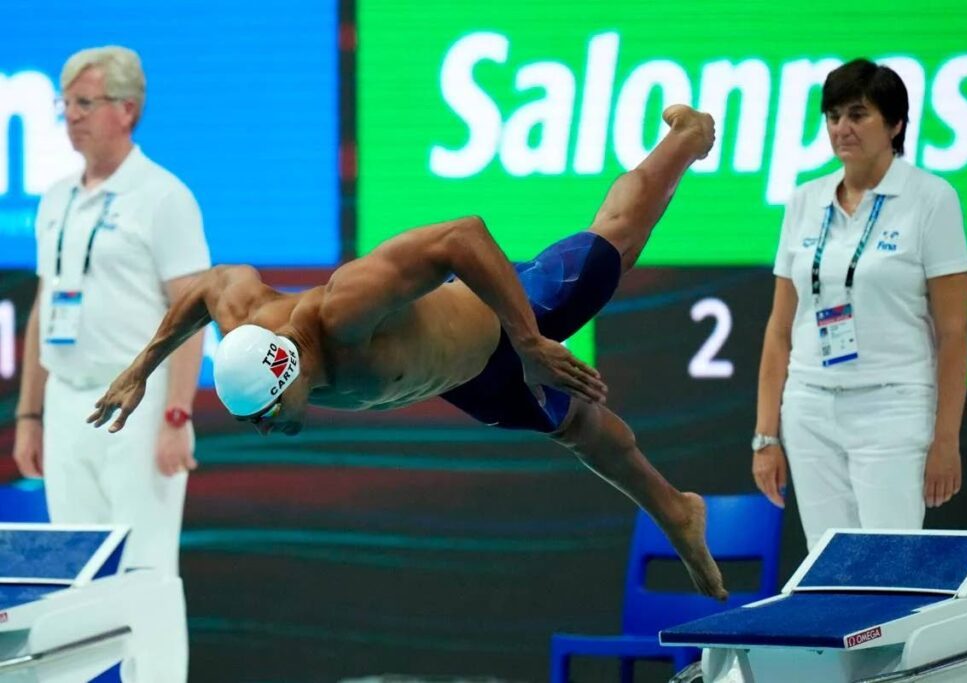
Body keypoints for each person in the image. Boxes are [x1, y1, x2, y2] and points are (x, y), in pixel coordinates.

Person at [88, 104, 728, 600]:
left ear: (287, 377)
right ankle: (678, 511)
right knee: (579, 430)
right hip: (464, 380)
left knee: (614, 238)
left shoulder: (342, 310)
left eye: (266, 415)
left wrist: (531, 342)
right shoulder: (247, 326)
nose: (266, 431)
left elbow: (462, 235)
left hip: (508, 321)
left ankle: (689, 135)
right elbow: (208, 286)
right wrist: (140, 368)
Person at [11, 46, 208, 681]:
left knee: (146, 568)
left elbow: (191, 311)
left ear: (128, 110)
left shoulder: (163, 196)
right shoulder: (55, 198)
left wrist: (178, 414)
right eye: (65, 103)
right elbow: (46, 304)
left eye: (85, 104)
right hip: (67, 402)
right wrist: (30, 414)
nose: (71, 116)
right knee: (75, 573)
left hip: (139, 405)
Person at [751, 58, 967, 551]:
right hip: (809, 406)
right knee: (831, 570)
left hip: (893, 407)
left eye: (857, 115)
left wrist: (946, 439)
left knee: (888, 569)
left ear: (895, 125)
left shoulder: (932, 199)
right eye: (833, 117)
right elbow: (779, 328)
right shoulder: (804, 200)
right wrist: (766, 436)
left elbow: (954, 332)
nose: (841, 129)